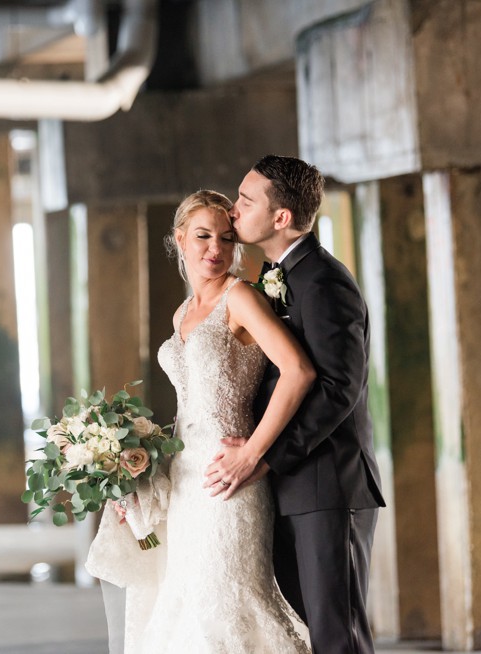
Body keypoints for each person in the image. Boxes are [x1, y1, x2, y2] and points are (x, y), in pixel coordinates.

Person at [118, 189, 315, 653]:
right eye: (203, 236)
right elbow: (190, 408)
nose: (216, 249)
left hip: (232, 482)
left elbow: (299, 371)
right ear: (180, 239)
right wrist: (140, 471)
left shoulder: (241, 297)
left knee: (228, 606)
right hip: (186, 481)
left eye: (227, 239)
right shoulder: (181, 313)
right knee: (185, 605)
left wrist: (252, 453)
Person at [205, 155, 386, 654]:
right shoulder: (275, 277)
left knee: (336, 634)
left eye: (246, 200)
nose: (234, 210)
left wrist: (264, 456)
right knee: (303, 632)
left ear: (281, 218)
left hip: (328, 483)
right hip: (289, 485)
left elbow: (337, 389)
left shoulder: (325, 282)